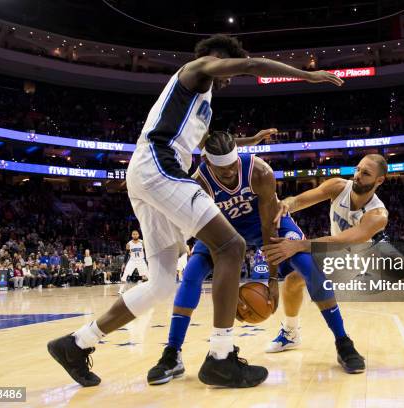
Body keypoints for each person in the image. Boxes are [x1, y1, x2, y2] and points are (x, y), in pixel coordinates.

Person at [47, 33, 343, 388]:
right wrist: (307, 76)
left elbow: (202, 142)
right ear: (220, 57)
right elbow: (251, 65)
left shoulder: (201, 102)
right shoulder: (197, 69)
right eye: (228, 69)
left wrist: (249, 141)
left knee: (159, 284)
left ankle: (78, 343)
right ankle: (220, 356)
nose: (229, 78)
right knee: (231, 246)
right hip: (160, 165)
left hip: (148, 173)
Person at [147, 132, 364, 385]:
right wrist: (230, 290)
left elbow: (268, 229)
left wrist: (272, 279)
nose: (228, 173)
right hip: (224, 228)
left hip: (266, 224)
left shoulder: (260, 171)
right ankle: (172, 354)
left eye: (232, 166)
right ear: (207, 162)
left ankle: (343, 342)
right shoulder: (200, 183)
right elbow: (209, 232)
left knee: (310, 267)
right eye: (221, 169)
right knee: (192, 273)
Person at [263, 154, 404, 362]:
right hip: (338, 253)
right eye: (358, 169)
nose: (358, 175)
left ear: (379, 180)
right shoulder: (338, 186)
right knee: (292, 281)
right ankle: (291, 332)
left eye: (366, 173)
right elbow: (298, 200)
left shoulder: (378, 214)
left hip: (371, 250)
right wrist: (286, 205)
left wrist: (299, 245)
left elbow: (348, 239)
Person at [118, 230, 148, 295]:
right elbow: (126, 254)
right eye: (133, 234)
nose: (135, 235)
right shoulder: (129, 244)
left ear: (138, 235)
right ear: (132, 235)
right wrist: (124, 263)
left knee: (147, 275)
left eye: (136, 234)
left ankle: (148, 289)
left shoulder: (142, 242)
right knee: (125, 275)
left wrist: (147, 261)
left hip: (141, 260)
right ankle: (121, 290)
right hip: (132, 261)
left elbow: (146, 252)